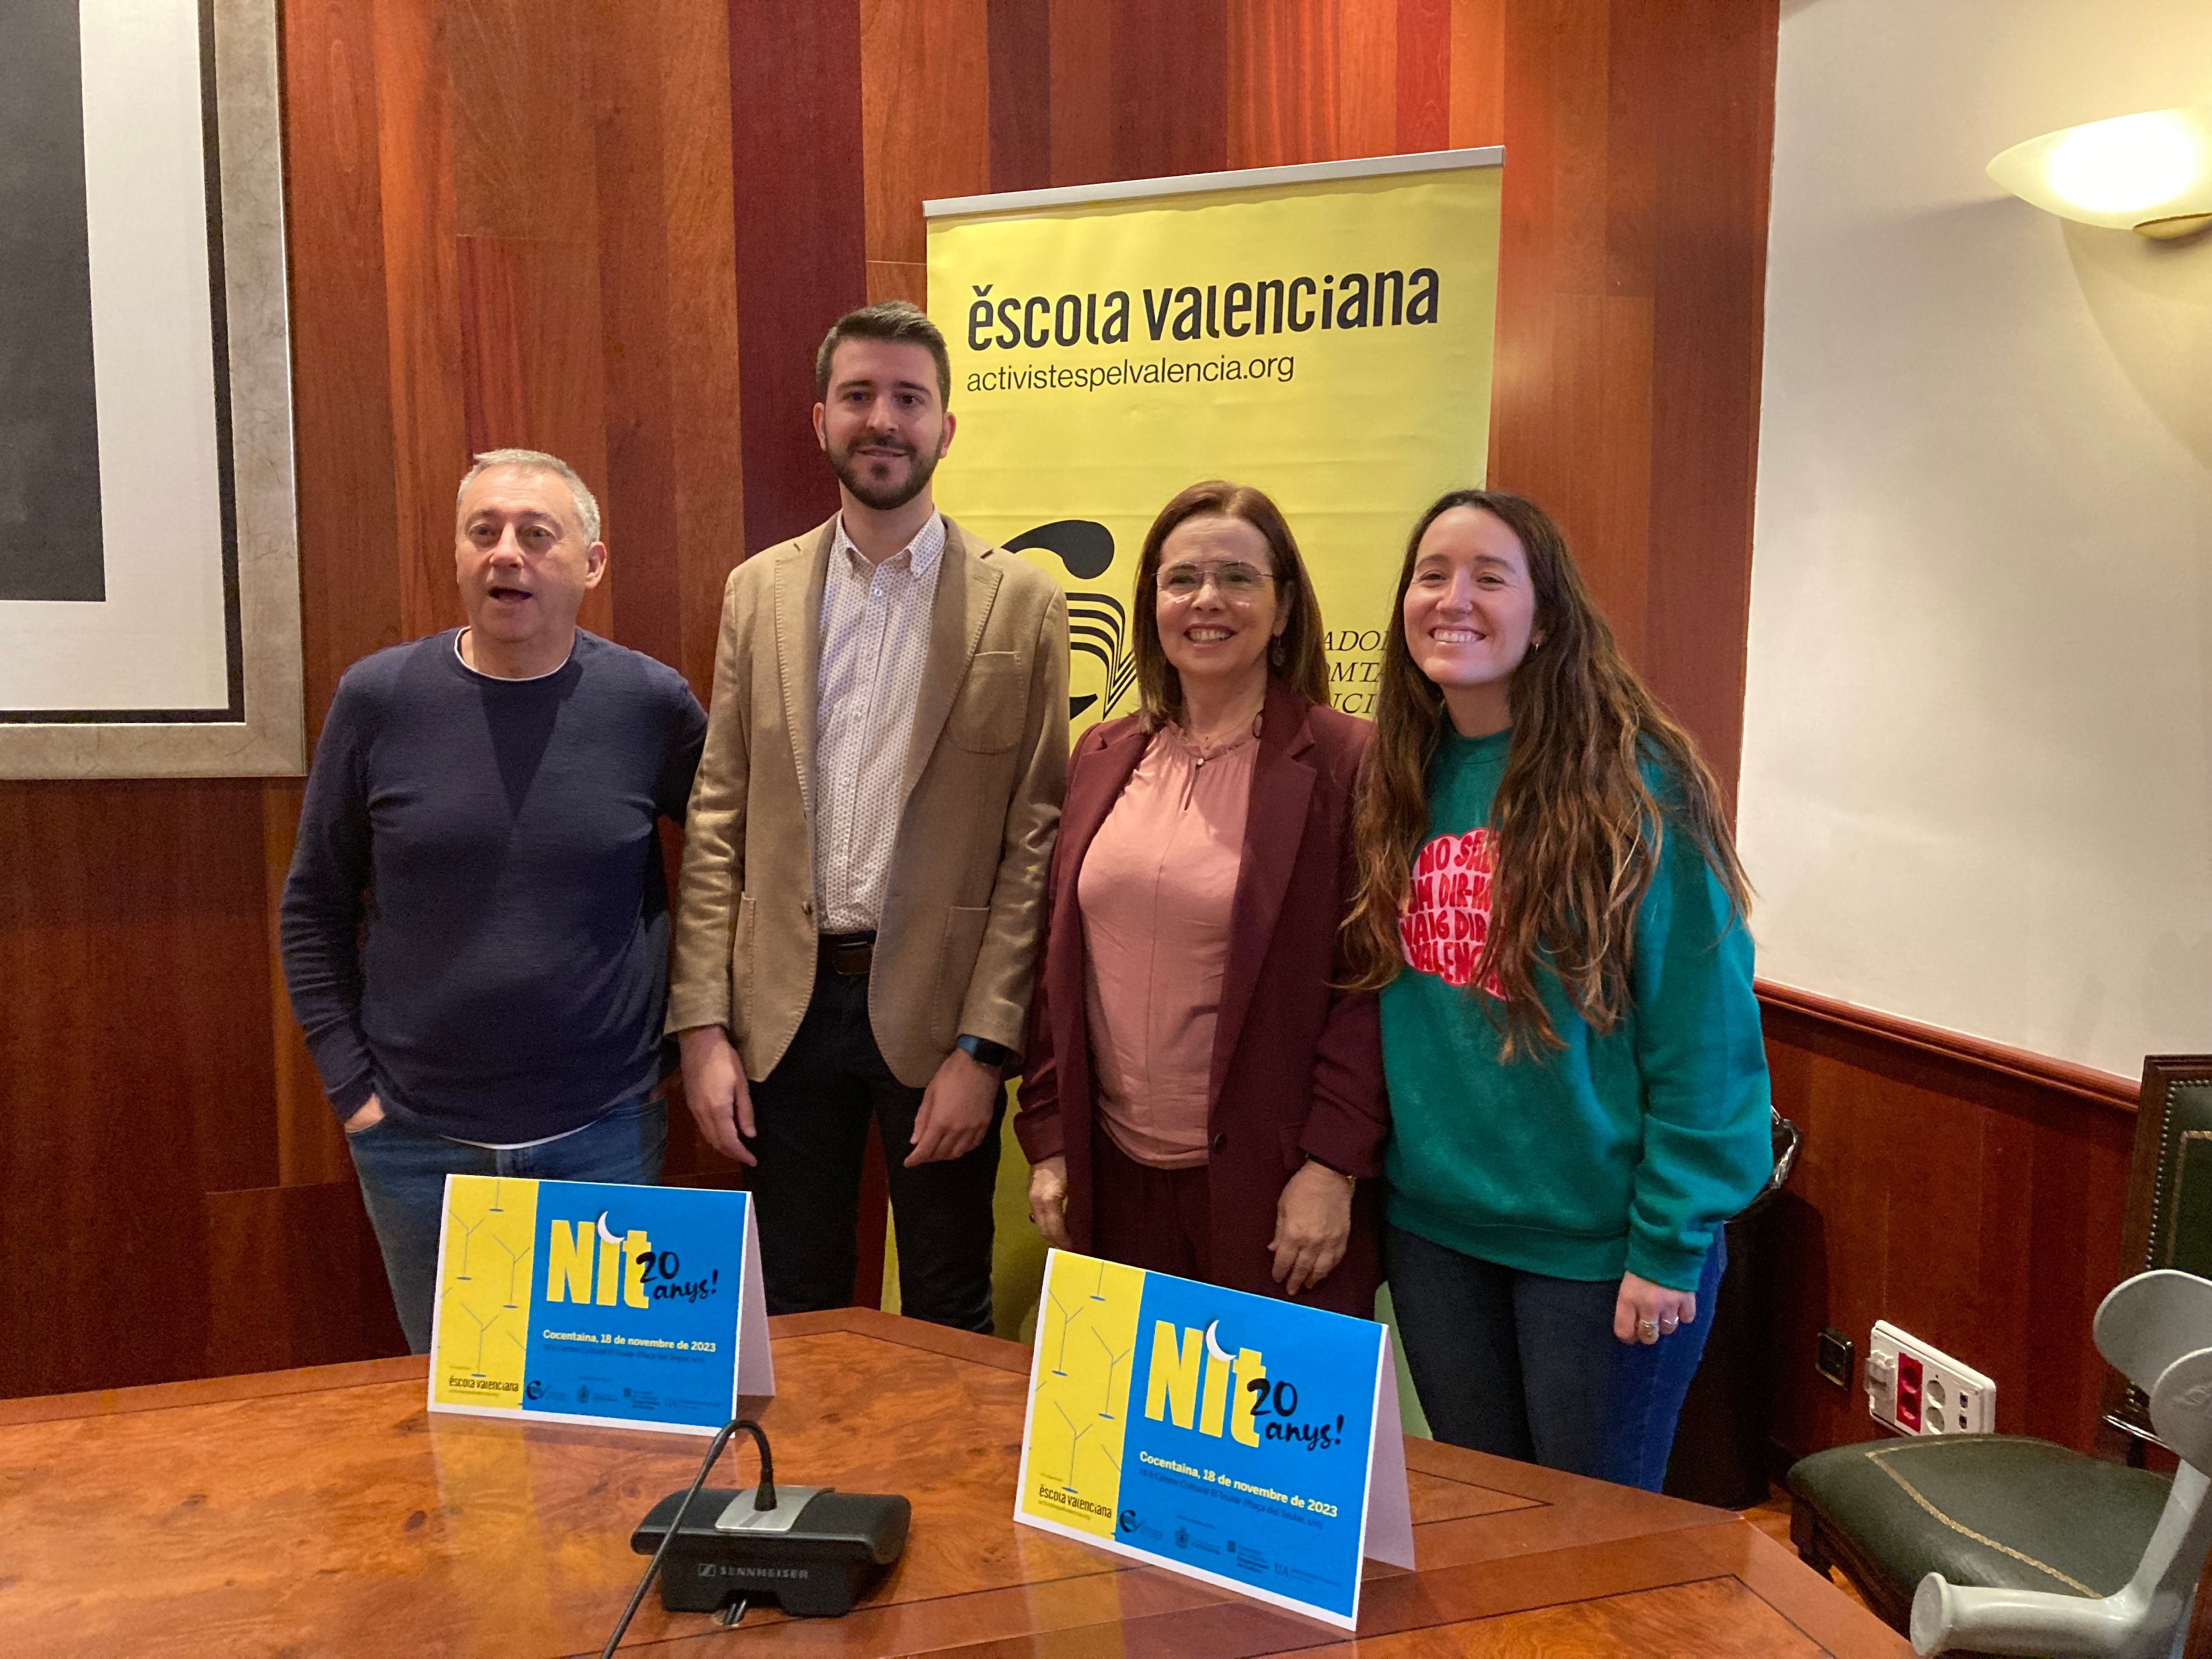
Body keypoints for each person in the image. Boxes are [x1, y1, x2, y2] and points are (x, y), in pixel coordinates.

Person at [1342, 488, 1771, 1489]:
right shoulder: (1396, 778)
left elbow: (1705, 1036)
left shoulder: (1636, 783)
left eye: (1491, 577)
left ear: (1547, 617)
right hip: (1439, 1238)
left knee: (1592, 1554)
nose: (1454, 598)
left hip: (1601, 1251)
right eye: (1432, 574)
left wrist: (1670, 1244)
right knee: (1492, 1531)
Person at [668, 300, 1068, 1335]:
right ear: (820, 421)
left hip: (937, 1022)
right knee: (792, 1305)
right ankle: (797, 1497)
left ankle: (935, 1502)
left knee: (946, 1304)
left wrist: (985, 1051)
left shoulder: (1021, 601)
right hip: (781, 1015)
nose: (882, 419)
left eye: (908, 399)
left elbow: (1033, 841)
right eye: (858, 396)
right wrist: (703, 1030)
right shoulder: (756, 592)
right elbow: (718, 819)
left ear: (946, 426)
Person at [280, 449, 707, 1354]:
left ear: (592, 564)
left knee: (605, 1424)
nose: (506, 553)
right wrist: (353, 1092)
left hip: (606, 1137)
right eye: (485, 532)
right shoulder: (380, 698)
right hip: (416, 1145)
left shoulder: (650, 704)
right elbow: (313, 905)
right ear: (461, 555)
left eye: (535, 534)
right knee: (460, 1433)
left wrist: (698, 1038)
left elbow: (734, 868)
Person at [1018, 481, 1386, 1316]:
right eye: (1182, 579)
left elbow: (1371, 987)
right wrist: (1050, 1139)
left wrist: (1332, 1167)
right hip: (1110, 1187)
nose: (1207, 600)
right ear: (1151, 604)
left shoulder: (1345, 762)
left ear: (1284, 607)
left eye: (1238, 578)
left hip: (1274, 1190)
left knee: (1259, 1445)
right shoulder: (1101, 755)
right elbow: (1058, 967)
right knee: (1118, 1443)